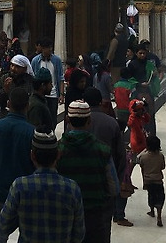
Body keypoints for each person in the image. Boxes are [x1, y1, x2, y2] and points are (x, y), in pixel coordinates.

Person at [0, 128, 85, 243]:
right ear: (58, 155)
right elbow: (79, 234)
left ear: (32, 156)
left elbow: (3, 226)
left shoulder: (20, 186)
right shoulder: (72, 188)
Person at [0, 87, 35, 243]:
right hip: (25, 195)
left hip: (0, 192)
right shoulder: (32, 132)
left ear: (8, 104)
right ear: (27, 105)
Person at [57, 101, 116, 243]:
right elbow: (114, 188)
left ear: (67, 120)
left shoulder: (57, 151)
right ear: (89, 121)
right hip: (94, 217)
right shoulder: (102, 150)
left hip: (65, 217)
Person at [84, 87, 131, 228]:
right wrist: (116, 180)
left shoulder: (76, 123)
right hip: (105, 181)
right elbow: (120, 156)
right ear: (100, 102)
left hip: (83, 182)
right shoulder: (111, 123)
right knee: (102, 227)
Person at [30, 37, 64, 124]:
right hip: (40, 93)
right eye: (44, 48)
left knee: (52, 118)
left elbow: (60, 77)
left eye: (47, 48)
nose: (46, 50)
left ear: (51, 48)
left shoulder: (57, 60)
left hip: (53, 94)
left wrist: (61, 94)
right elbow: (32, 76)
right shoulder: (35, 61)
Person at [138, 134, 166, 227]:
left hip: (148, 181)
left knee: (151, 196)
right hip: (158, 180)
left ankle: (151, 211)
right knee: (160, 198)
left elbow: (141, 164)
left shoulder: (144, 157)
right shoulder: (160, 156)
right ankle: (159, 216)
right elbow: (163, 167)